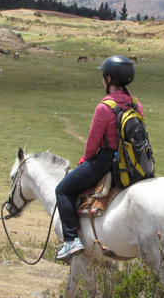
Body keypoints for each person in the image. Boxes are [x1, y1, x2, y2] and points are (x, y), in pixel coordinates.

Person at [55, 55, 144, 260]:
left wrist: (84, 161)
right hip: (132, 163)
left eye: (103, 77)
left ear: (110, 79)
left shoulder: (104, 108)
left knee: (62, 189)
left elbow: (92, 145)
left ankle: (71, 241)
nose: (102, 80)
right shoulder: (136, 104)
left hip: (106, 161)